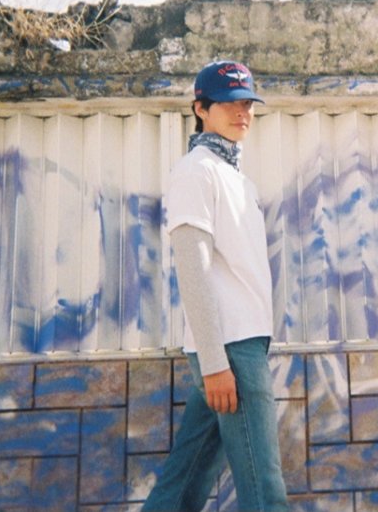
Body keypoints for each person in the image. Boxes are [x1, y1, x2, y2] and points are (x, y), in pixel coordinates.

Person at [142, 60, 289, 512]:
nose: (242, 112)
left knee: (184, 482)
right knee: (264, 489)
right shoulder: (196, 171)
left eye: (247, 103)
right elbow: (194, 268)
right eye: (228, 103)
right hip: (230, 348)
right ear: (201, 108)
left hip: (239, 344)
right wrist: (214, 364)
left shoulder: (237, 178)